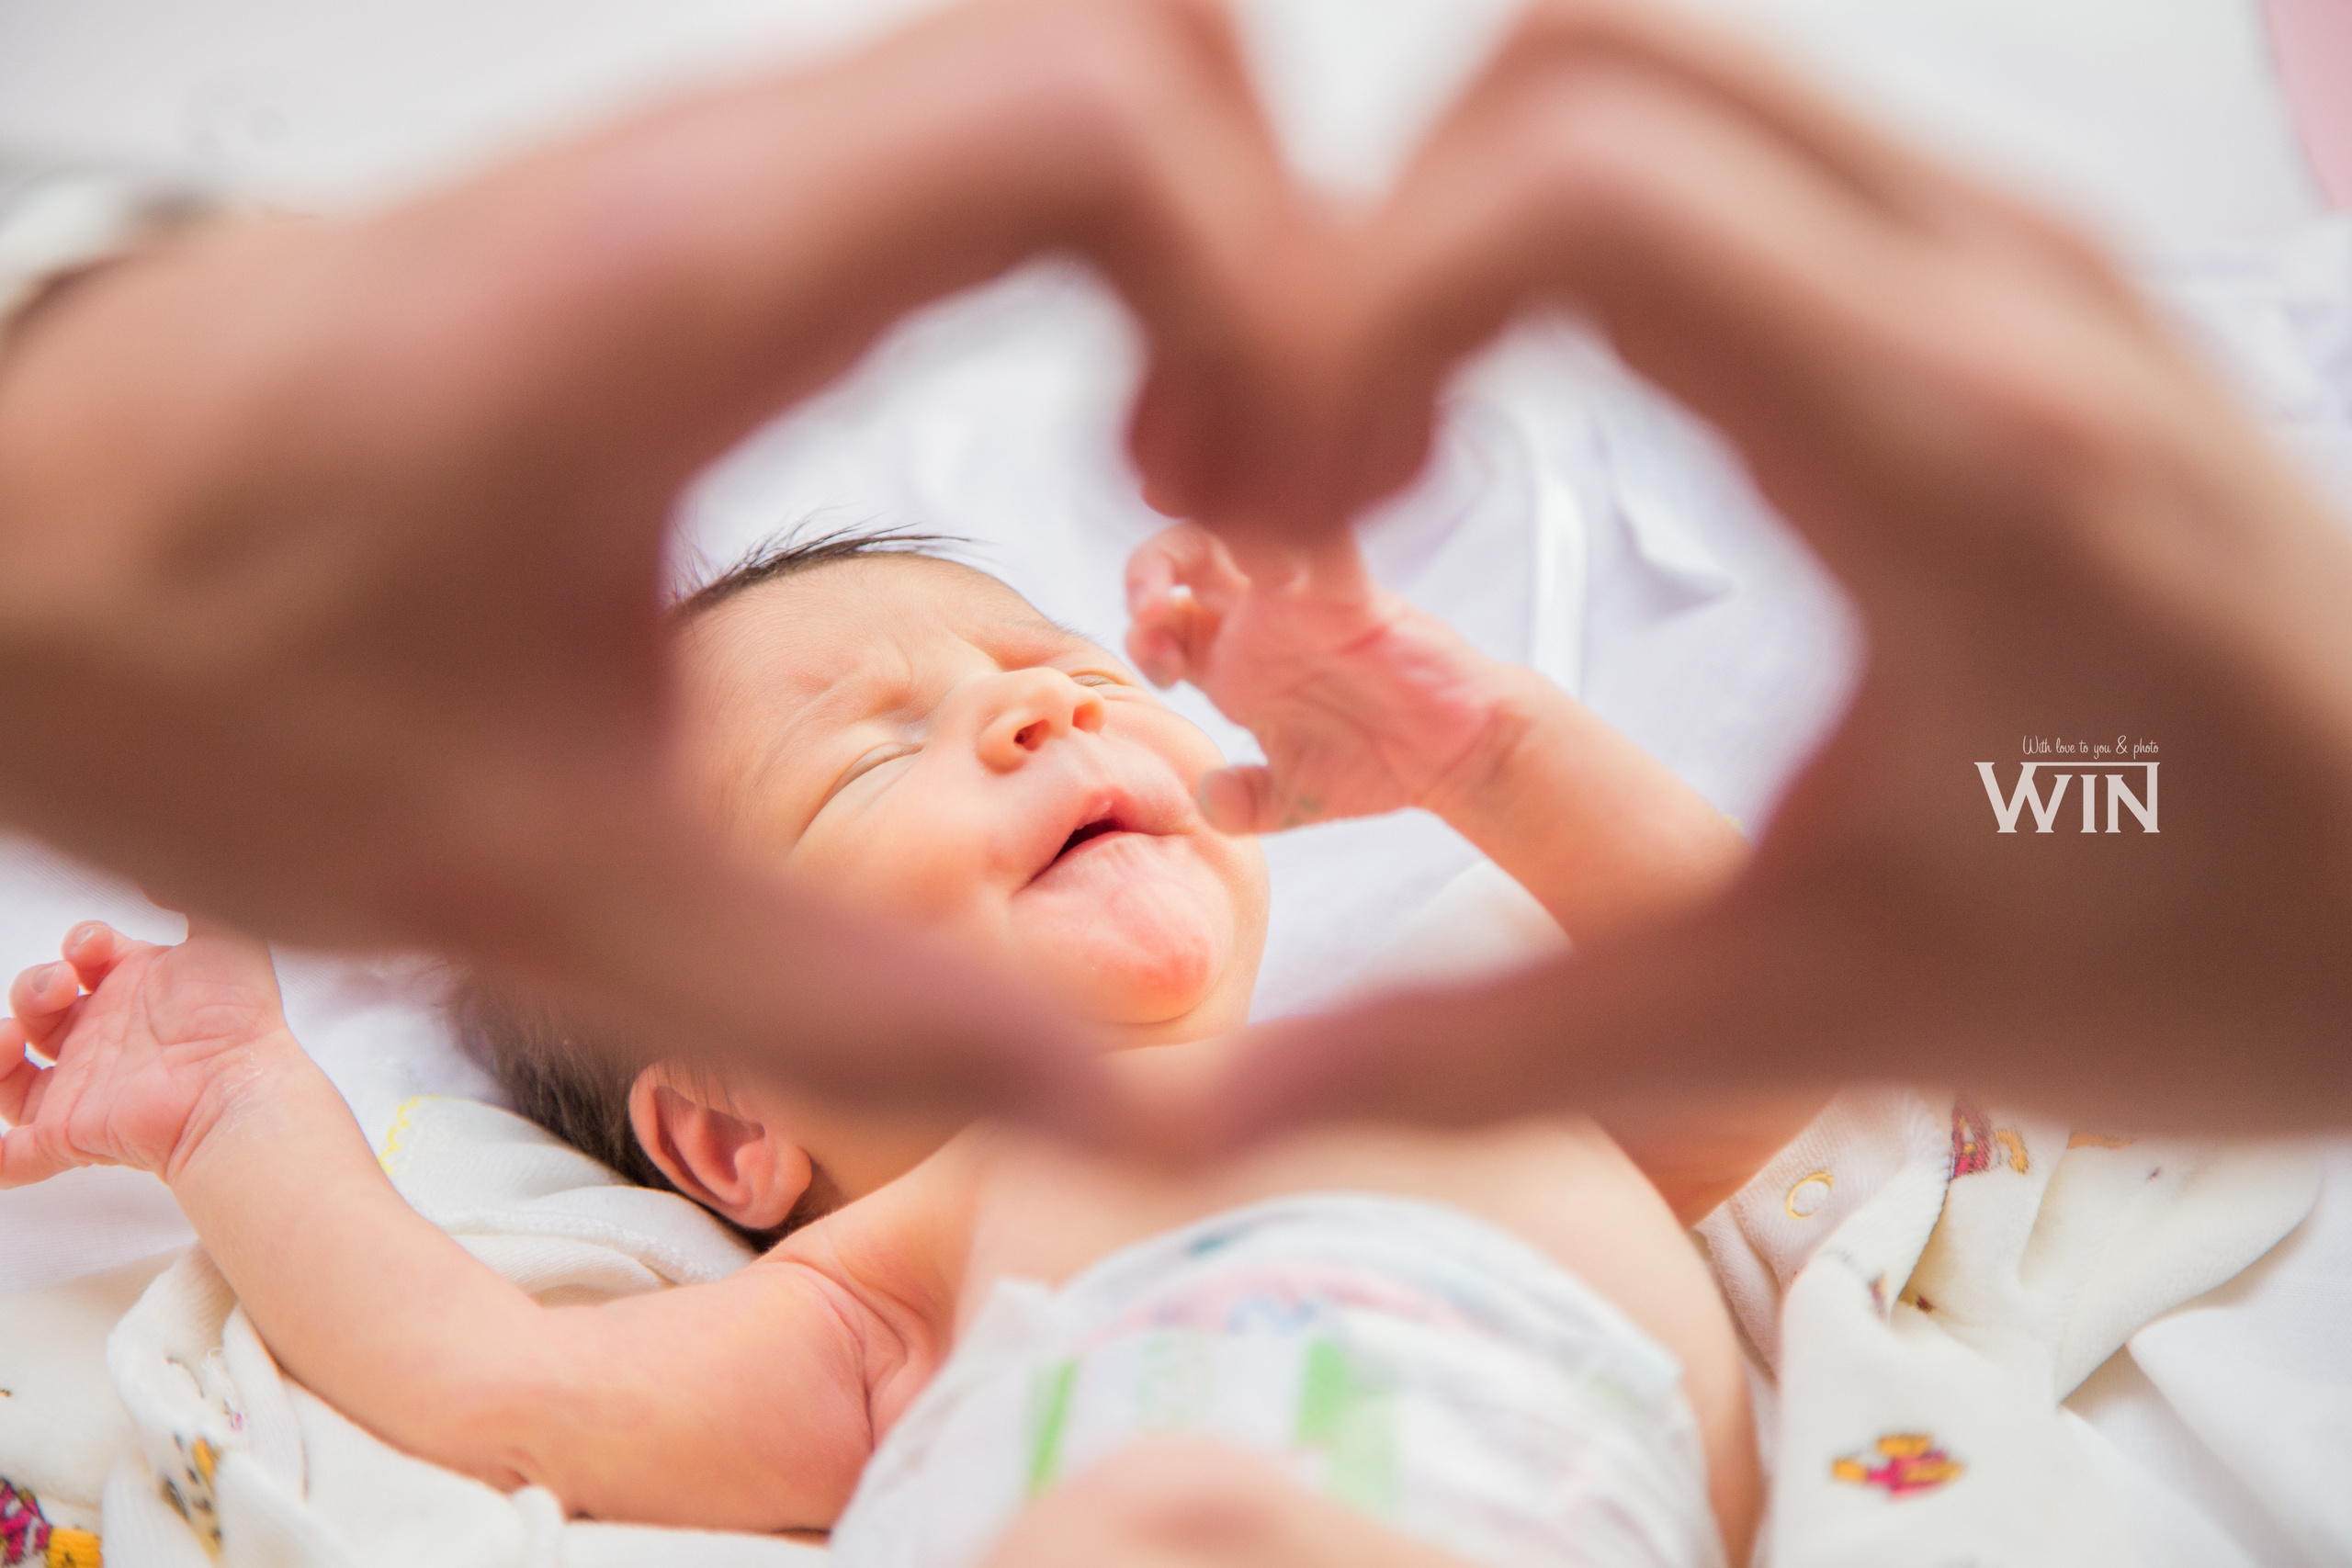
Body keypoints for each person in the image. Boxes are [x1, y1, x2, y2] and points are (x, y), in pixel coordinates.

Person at [0, 525, 1776, 1563]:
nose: (1043, 710)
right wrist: (229, 1106)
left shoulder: (1452, 1067)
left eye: (1081, 676)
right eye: (865, 758)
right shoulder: (892, 1282)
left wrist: (1485, 747)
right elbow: (502, 1388)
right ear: (734, 1130)